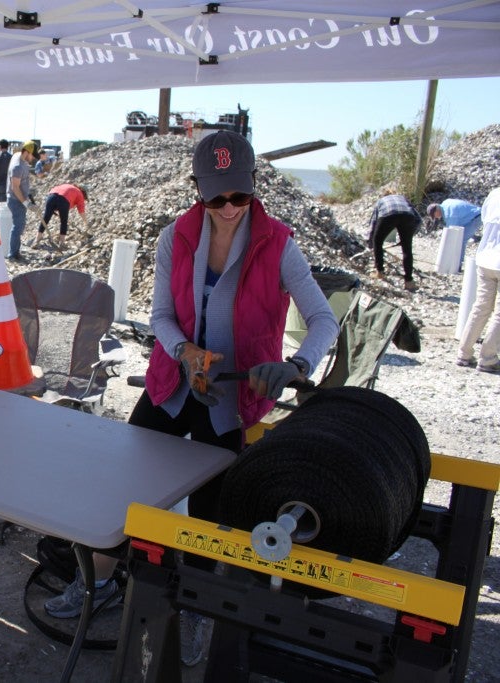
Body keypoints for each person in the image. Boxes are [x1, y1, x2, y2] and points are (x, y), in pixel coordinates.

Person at [42, 130, 338, 662]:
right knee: (123, 483)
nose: (228, 208)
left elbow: (323, 320)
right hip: (172, 383)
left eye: (239, 196)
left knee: (209, 515)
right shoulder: (175, 236)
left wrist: (294, 366)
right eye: (216, 197)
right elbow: (159, 317)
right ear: (198, 189)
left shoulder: (280, 243)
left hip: (232, 400)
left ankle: (198, 608)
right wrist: (185, 353)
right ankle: (102, 579)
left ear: (253, 188)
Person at [455, 187, 500, 373]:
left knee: (481, 307)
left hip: (485, 257)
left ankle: (464, 353)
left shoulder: (494, 194)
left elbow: (484, 218)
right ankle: (488, 357)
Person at [367, 190, 422, 291]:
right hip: (408, 216)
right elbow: (418, 219)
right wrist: (408, 236)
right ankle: (409, 281)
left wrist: (371, 242)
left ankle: (379, 272)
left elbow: (373, 223)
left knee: (378, 241)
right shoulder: (403, 198)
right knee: (407, 249)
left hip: (388, 215)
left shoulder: (381, 201)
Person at [427, 198, 482, 271]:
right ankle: (455, 262)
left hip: (477, 217)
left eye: (435, 216)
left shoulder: (450, 215)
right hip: (472, 215)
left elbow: (452, 234)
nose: (436, 218)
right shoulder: (445, 203)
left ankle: (458, 265)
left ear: (437, 211)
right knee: (459, 238)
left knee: (461, 240)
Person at [31, 183, 89, 251]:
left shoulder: (68, 186)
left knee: (45, 219)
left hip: (51, 197)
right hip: (63, 200)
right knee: (63, 222)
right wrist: (86, 223)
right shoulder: (79, 193)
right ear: (84, 192)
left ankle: (36, 240)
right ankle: (62, 244)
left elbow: (55, 193)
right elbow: (81, 211)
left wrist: (54, 209)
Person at [5, 141, 38, 261]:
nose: (33, 158)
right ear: (26, 152)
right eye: (32, 155)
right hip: (16, 200)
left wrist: (28, 196)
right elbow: (15, 187)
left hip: (20, 198)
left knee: (20, 225)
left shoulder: (18, 156)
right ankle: (12, 254)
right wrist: (26, 202)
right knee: (18, 227)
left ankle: (16, 251)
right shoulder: (18, 166)